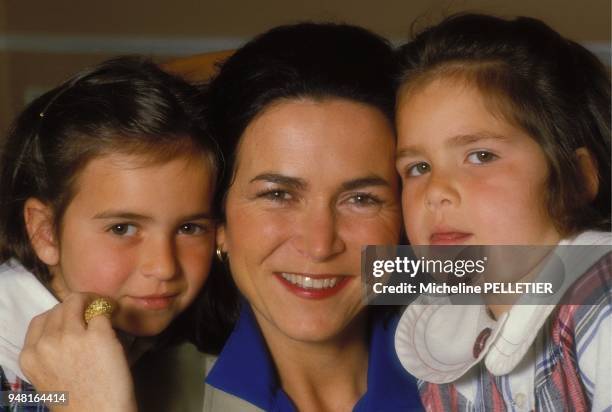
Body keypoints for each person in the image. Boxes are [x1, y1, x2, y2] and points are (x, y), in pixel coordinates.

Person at [392, 14, 611, 411]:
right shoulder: (437, 343)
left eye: (480, 156)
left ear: (577, 179)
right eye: (417, 168)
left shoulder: (600, 293)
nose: (436, 192)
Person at [204, 22, 422, 411]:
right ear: (218, 222)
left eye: (361, 199)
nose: (320, 244)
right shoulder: (125, 386)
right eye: (278, 194)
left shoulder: (490, 376)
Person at [0, 57, 234, 411]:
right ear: (45, 232)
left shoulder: (173, 348)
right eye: (122, 228)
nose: (164, 267)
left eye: (189, 228)